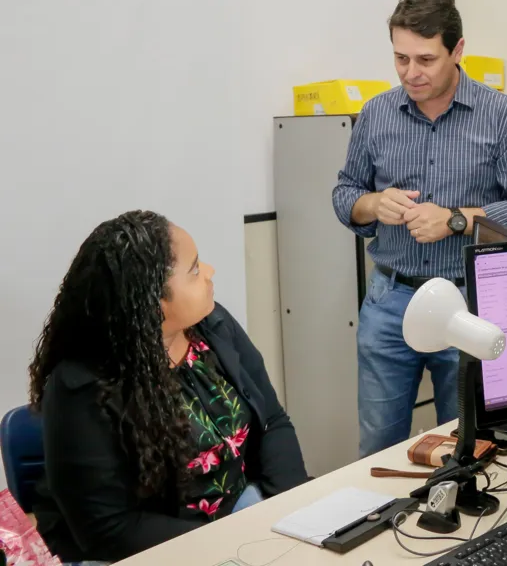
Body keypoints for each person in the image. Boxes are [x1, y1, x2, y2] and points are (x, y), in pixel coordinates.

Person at [333, 0, 507, 457]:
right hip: (390, 301)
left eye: (426, 59)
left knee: (468, 447)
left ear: (457, 50)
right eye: (400, 58)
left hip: (469, 302)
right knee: (379, 447)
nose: (411, 72)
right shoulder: (376, 114)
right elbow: (344, 195)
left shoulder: (503, 115)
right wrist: (374, 204)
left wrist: (455, 219)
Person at [29, 211, 308, 564]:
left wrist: (292, 510)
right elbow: (109, 530)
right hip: (153, 549)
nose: (209, 271)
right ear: (152, 301)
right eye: (194, 270)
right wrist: (228, 542)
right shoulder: (81, 386)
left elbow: (272, 422)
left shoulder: (212, 325)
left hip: (239, 518)